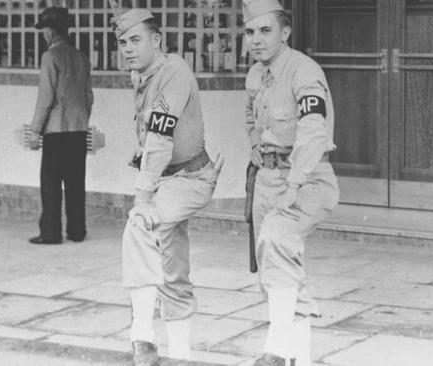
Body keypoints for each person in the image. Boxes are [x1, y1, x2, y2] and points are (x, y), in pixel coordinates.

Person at [111, 8, 223, 366]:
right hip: (168, 179)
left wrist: (142, 196)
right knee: (173, 268)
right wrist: (142, 154)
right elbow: (153, 135)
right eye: (122, 42)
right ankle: (181, 356)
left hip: (190, 179)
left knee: (139, 225)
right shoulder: (142, 74)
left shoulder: (173, 72)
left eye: (136, 40)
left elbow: (161, 134)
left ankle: (142, 337)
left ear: (157, 39)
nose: (128, 48)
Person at [242, 0, 340, 365]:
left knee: (277, 240)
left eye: (265, 31)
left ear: (285, 33)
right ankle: (295, 355)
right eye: (250, 32)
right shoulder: (255, 75)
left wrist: (293, 185)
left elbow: (314, 134)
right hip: (266, 178)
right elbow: (249, 118)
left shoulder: (304, 71)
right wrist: (254, 145)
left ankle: (277, 351)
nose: (256, 39)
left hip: (309, 179)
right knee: (274, 268)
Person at [27, 6, 94, 245]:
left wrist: (35, 131)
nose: (43, 34)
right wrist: (81, 121)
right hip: (78, 130)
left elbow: (45, 99)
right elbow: (88, 97)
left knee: (51, 183)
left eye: (44, 29)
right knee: (76, 182)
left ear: (51, 31)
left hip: (55, 132)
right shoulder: (81, 57)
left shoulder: (50, 57)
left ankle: (51, 233)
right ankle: (77, 231)